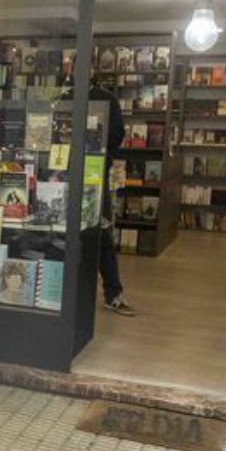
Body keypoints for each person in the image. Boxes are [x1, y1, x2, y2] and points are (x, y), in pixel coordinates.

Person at [61, 82, 136, 316]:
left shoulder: (103, 99)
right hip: (74, 171)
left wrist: (101, 153)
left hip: (92, 171)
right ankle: (103, 293)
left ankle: (111, 292)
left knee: (100, 230)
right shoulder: (67, 97)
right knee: (81, 231)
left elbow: (116, 134)